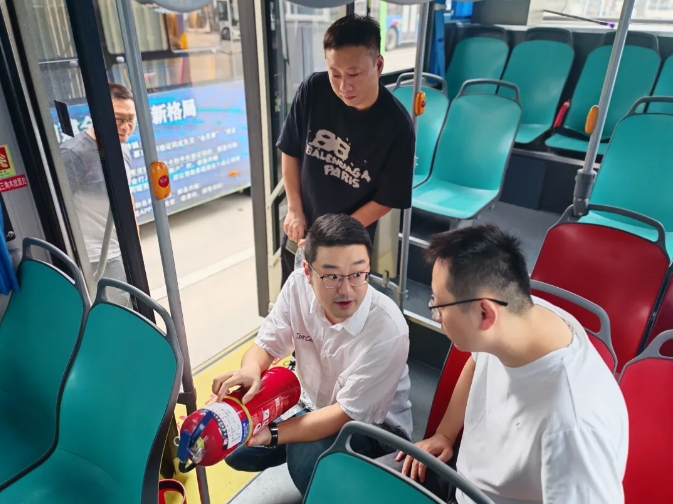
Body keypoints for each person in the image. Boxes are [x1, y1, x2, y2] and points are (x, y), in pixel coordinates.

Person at [392, 225, 629, 503]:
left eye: (438, 305)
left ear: (485, 314)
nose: (436, 315)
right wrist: (444, 434)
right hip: (463, 479)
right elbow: (476, 363)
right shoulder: (515, 316)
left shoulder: (572, 426)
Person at [213, 214, 412, 496]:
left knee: (305, 458)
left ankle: (338, 487)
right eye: (331, 276)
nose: (346, 290)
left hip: (374, 428)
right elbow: (266, 345)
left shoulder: (389, 329)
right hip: (310, 401)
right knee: (237, 442)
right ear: (307, 271)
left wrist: (273, 435)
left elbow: (345, 414)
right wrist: (251, 369)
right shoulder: (298, 285)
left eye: (358, 274)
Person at [278, 14, 415, 288]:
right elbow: (291, 149)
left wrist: (333, 235)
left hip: (349, 238)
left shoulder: (397, 126)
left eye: (354, 74)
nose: (344, 86)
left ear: (378, 65)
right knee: (293, 299)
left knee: (339, 304)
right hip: (302, 225)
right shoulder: (313, 90)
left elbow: (387, 198)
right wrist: (293, 209)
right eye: (335, 74)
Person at [61, 82, 137, 307]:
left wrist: (134, 233)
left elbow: (125, 193)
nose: (126, 127)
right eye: (119, 119)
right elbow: (61, 209)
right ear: (98, 116)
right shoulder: (74, 153)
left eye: (131, 119)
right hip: (97, 256)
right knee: (120, 308)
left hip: (120, 246)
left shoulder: (120, 146)